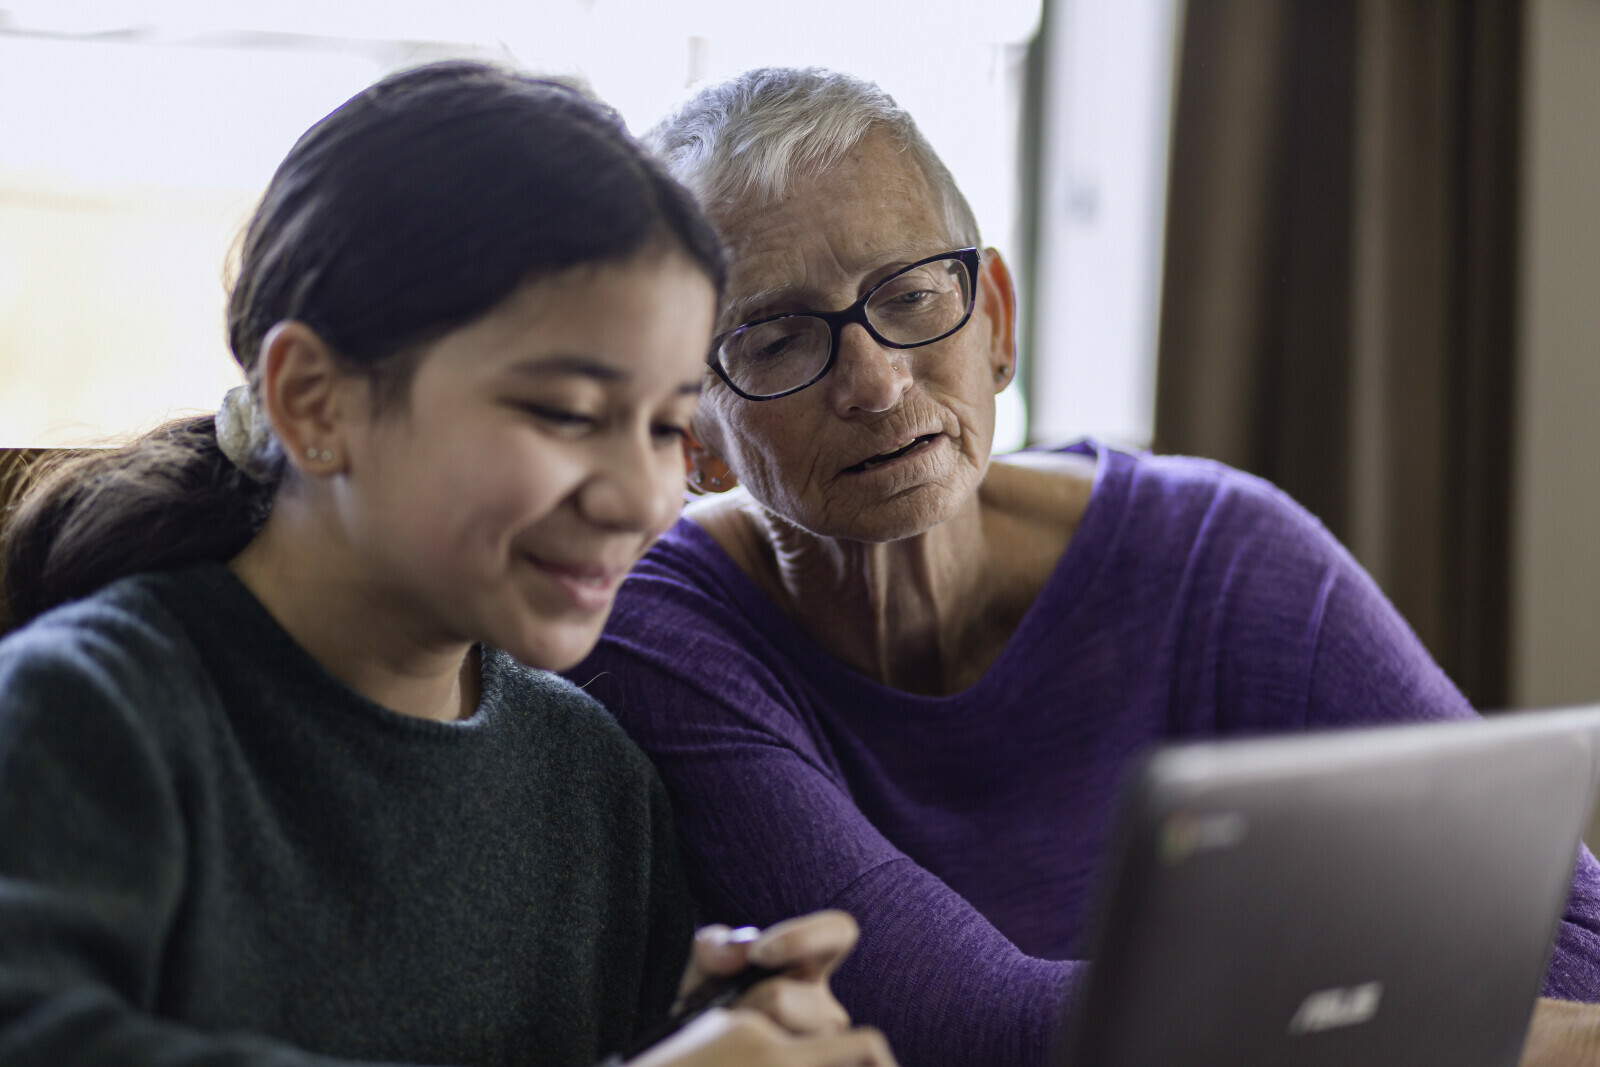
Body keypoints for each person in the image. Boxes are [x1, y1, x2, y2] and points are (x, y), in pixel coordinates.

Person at [563, 67, 1600, 1066]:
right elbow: (965, 1028)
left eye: (913, 293)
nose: (876, 381)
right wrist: (1439, 1021)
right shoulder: (653, 635)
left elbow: (1569, 944)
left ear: (996, 320)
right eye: (780, 338)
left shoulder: (1218, 551)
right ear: (690, 431)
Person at [0, 61, 896, 1067]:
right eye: (564, 412)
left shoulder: (595, 785)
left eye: (664, 426)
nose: (640, 495)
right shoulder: (90, 712)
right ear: (316, 401)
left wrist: (699, 1022)